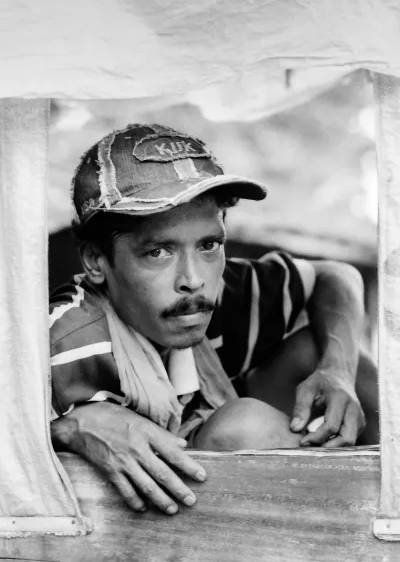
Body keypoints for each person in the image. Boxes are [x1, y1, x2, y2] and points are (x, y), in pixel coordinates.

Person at [50, 123, 379, 516]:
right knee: (242, 427)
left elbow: (334, 276)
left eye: (209, 245)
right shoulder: (69, 339)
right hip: (158, 530)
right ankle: (355, 521)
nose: (193, 280)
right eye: (158, 252)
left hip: (214, 453)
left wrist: (337, 370)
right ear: (95, 262)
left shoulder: (221, 292)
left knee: (328, 352)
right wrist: (67, 427)